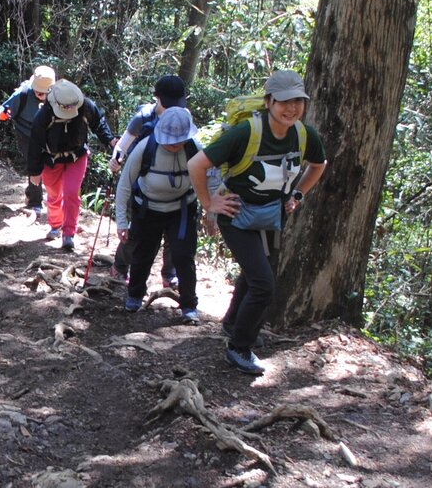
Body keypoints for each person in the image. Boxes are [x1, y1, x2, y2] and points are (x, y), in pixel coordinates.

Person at [188, 70, 327, 375]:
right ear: (269, 102)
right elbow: (196, 163)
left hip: (272, 215)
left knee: (256, 276)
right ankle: (239, 347)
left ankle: (234, 324)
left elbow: (319, 164)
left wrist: (298, 195)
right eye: (284, 102)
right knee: (264, 284)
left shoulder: (305, 135)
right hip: (236, 213)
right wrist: (209, 203)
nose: (291, 108)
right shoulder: (245, 133)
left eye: (297, 102)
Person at [115, 106, 201, 324]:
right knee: (143, 254)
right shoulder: (146, 148)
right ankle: (135, 295)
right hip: (147, 209)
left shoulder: (194, 149)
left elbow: (211, 178)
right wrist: (122, 222)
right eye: (170, 139)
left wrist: (212, 214)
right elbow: (125, 183)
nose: (174, 143)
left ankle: (189, 304)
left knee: (183, 256)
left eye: (179, 139)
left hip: (182, 210)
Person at [108, 75, 187, 287]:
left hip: (175, 183)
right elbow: (122, 146)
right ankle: (120, 266)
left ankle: (168, 275)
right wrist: (116, 160)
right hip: (141, 180)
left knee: (173, 235)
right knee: (136, 232)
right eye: (168, 104)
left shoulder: (183, 117)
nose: (172, 109)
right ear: (157, 98)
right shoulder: (143, 117)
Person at [27, 79, 117, 250]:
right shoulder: (44, 114)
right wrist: (34, 171)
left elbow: (99, 123)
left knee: (70, 193)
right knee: (54, 195)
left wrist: (111, 140)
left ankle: (69, 233)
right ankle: (55, 225)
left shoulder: (86, 106)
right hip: (51, 159)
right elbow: (35, 143)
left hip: (77, 156)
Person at [0, 65, 56, 214]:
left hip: (47, 134)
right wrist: (4, 114)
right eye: (38, 90)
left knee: (49, 165)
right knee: (34, 163)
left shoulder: (57, 96)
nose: (40, 94)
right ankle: (35, 203)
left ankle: (39, 196)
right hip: (26, 134)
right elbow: (3, 110)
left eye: (43, 92)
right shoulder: (22, 94)